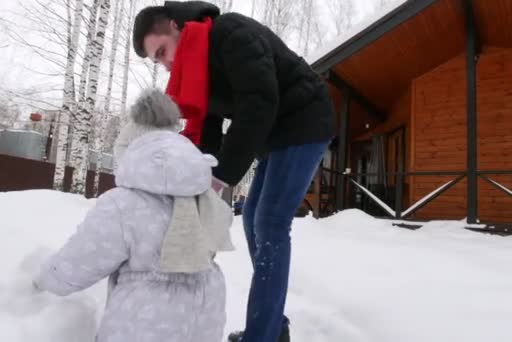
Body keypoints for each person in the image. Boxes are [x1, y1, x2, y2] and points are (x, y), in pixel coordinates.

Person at [132, 2, 336, 342]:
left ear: (175, 25)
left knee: (270, 223)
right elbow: (209, 128)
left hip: (306, 120)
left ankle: (263, 336)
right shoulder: (198, 69)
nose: (166, 63)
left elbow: (259, 102)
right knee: (253, 217)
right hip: (276, 134)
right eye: (158, 60)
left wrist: (223, 175)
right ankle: (272, 326)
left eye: (163, 51)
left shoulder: (230, 33)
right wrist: (197, 175)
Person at [33, 89, 235, 342]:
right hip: (205, 316)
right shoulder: (203, 197)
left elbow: (79, 264)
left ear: (132, 154)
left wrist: (40, 281)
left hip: (144, 324)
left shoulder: (124, 205)